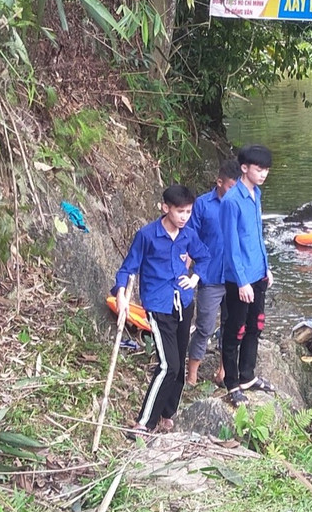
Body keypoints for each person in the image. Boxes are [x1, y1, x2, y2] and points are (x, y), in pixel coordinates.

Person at [113, 184, 211, 434]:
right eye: (180, 212)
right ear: (165, 208)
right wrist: (122, 295)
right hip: (158, 306)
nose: (184, 217)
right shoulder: (147, 235)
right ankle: (144, 423)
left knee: (179, 360)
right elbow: (128, 268)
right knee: (169, 365)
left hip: (184, 303)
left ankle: (168, 413)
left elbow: (205, 256)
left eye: (188, 212)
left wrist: (195, 278)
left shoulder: (188, 235)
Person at [218, 144, 274, 400]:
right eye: (259, 169)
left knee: (255, 325)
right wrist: (241, 282)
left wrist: (266, 267)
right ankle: (231, 383)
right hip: (239, 278)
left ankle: (247, 376)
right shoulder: (231, 200)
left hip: (257, 272)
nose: (263, 174)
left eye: (266, 170)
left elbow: (256, 236)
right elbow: (230, 245)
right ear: (244, 168)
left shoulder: (257, 194)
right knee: (235, 330)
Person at [185, 156, 241, 386]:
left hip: (235, 277)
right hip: (208, 276)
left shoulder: (240, 204)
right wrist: (184, 271)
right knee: (204, 326)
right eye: (230, 187)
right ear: (219, 182)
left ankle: (223, 371)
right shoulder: (202, 205)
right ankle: (192, 375)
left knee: (231, 327)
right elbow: (190, 239)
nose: (233, 192)